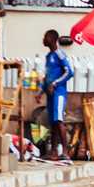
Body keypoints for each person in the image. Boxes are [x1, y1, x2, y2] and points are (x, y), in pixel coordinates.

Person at [35, 29, 73, 161]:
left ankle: (65, 152)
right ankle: (54, 152)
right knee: (53, 123)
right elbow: (47, 76)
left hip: (59, 93)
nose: (43, 40)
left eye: (45, 37)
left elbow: (69, 72)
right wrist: (40, 92)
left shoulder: (60, 54)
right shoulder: (48, 56)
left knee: (59, 121)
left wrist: (55, 84)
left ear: (52, 39)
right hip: (50, 94)